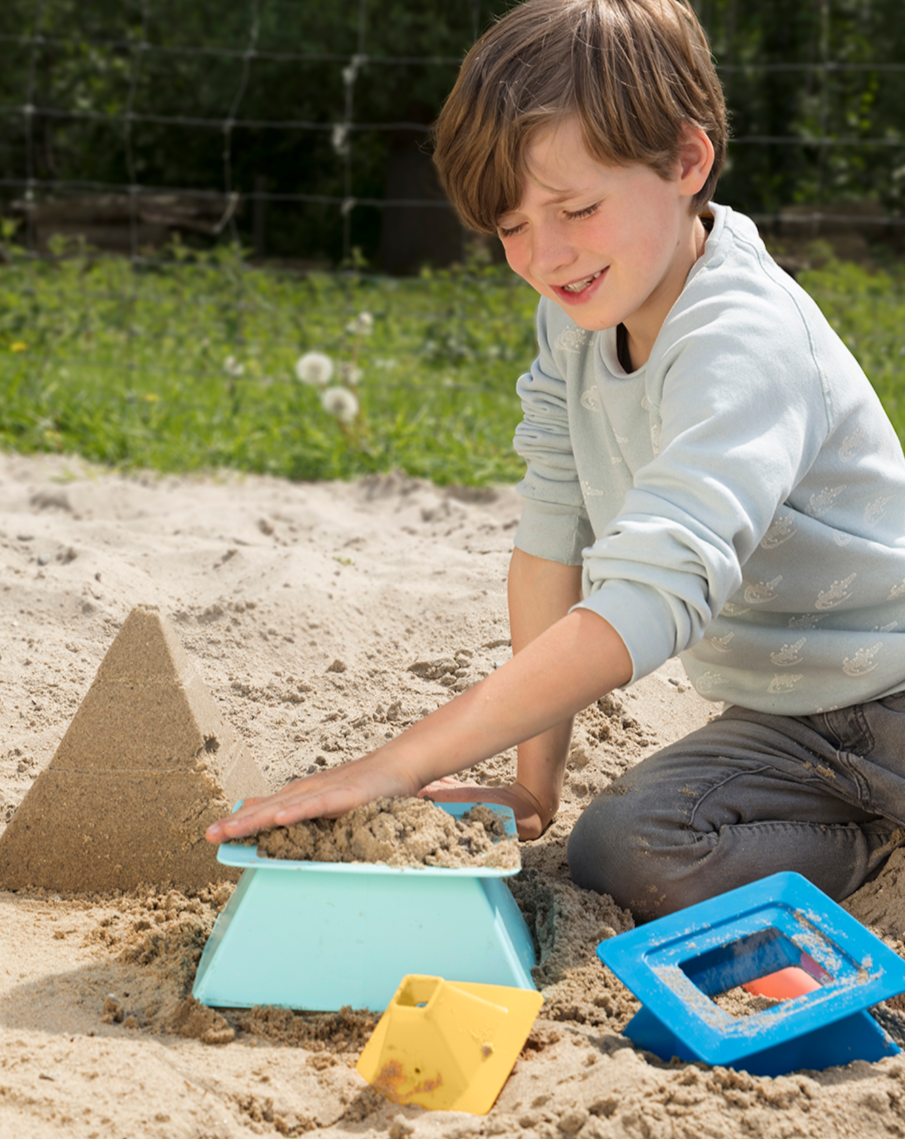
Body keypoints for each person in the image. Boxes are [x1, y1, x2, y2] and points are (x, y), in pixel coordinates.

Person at [206, 0, 905, 922]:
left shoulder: (743, 340)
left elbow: (654, 592)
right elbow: (550, 544)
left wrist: (396, 764)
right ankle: (863, 833)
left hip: (892, 694)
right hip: (788, 727)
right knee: (620, 846)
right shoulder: (575, 323)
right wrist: (532, 786)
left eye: (576, 208)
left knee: (645, 854)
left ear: (686, 162)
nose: (546, 256)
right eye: (510, 228)